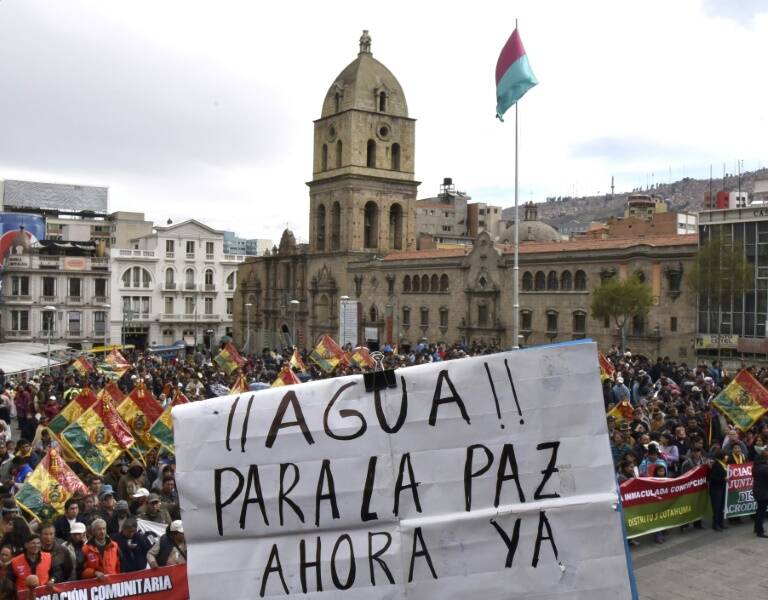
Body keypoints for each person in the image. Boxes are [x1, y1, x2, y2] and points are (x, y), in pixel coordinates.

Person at [709, 449, 729, 531]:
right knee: (716, 507)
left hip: (722, 487)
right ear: (722, 456)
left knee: (721, 507)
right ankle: (715, 524)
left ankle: (721, 523)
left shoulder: (723, 464)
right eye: (726, 455)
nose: (727, 457)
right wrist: (723, 479)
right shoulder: (716, 465)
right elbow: (713, 478)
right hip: (716, 489)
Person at [752, 448, 768, 538]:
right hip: (764, 493)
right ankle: (760, 531)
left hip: (757, 491)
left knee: (759, 511)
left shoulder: (755, 467)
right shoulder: (765, 468)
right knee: (761, 512)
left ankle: (757, 528)